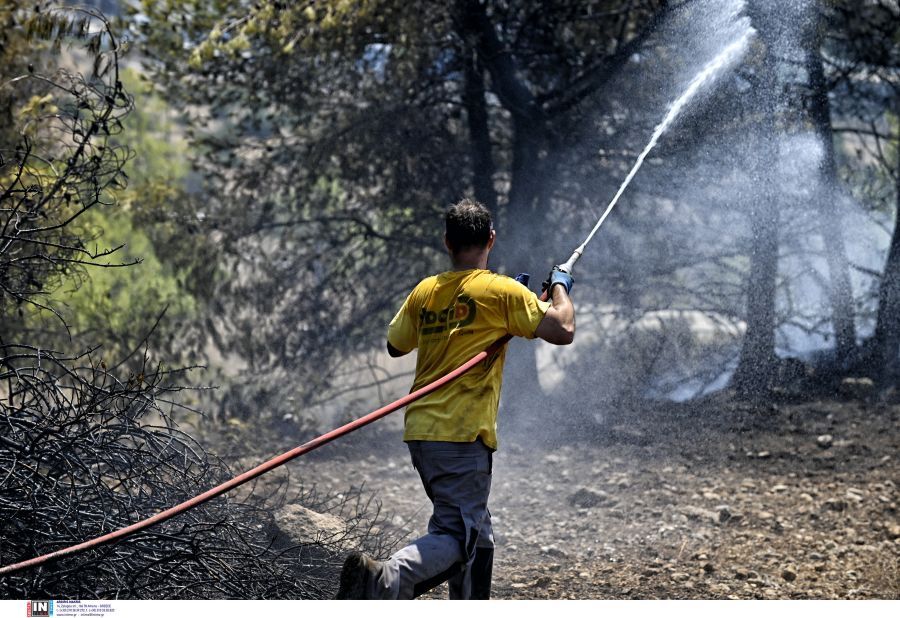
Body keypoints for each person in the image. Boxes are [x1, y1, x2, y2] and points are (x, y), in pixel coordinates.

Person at [335, 198, 575, 600]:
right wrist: (560, 288)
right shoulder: (501, 290)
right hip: (461, 434)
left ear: (447, 242)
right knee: (456, 534)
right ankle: (383, 580)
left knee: (476, 530)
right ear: (491, 240)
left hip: (422, 433)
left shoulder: (426, 291)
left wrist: (489, 310)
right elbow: (563, 328)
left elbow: (396, 346)